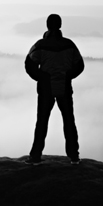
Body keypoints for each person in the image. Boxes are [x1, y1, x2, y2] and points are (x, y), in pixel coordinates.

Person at [24, 14, 84, 165]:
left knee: (42, 122)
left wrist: (41, 77)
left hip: (46, 89)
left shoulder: (40, 45)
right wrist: (68, 75)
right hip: (64, 87)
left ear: (47, 25)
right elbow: (80, 65)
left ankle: (35, 157)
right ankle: (74, 157)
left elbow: (29, 64)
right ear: (60, 25)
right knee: (69, 121)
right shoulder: (69, 45)